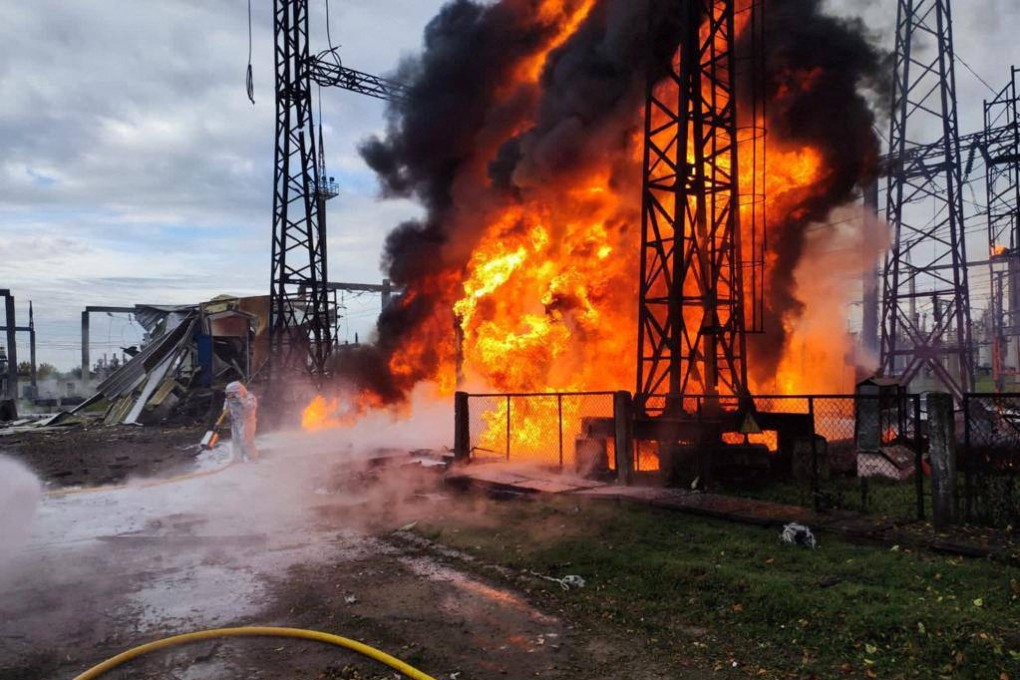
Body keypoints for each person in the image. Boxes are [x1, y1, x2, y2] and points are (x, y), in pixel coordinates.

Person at [224, 381, 259, 462]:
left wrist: (241, 399)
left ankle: (252, 458)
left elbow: (250, 407)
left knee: (246, 440)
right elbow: (226, 407)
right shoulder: (229, 399)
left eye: (232, 394)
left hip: (247, 421)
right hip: (235, 422)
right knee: (236, 440)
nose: (230, 396)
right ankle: (238, 458)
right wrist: (226, 411)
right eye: (229, 394)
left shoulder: (249, 397)